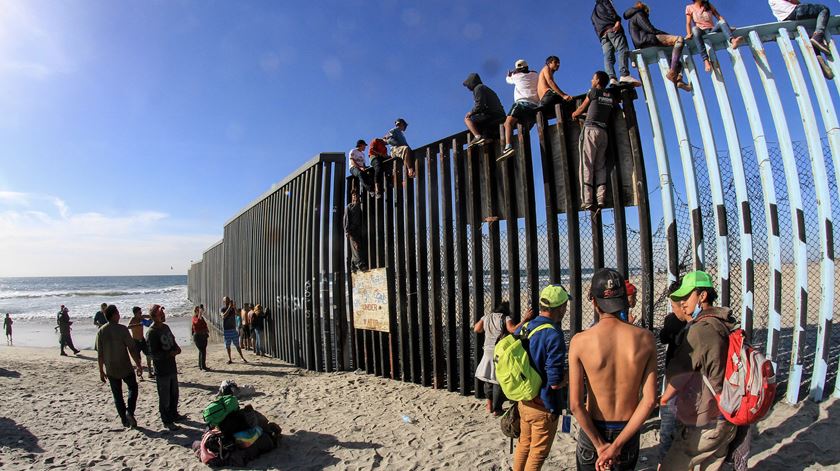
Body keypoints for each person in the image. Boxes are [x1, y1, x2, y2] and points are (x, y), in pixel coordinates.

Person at [568, 268, 657, 471]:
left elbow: (575, 405)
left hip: (593, 430)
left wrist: (601, 446)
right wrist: (616, 446)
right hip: (628, 430)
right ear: (624, 300)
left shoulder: (580, 342)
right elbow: (650, 400)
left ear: (593, 301)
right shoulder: (646, 339)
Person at [660, 271, 739, 470]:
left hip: (705, 421)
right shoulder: (723, 321)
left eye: (687, 297)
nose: (683, 303)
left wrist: (662, 398)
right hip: (727, 412)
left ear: (702, 296)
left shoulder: (699, 329)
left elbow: (677, 377)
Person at [512, 285, 569, 471]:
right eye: (565, 305)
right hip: (543, 404)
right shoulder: (553, 334)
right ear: (560, 308)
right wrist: (566, 379)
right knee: (537, 453)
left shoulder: (526, 326)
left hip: (524, 399)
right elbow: (554, 381)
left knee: (523, 445)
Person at [571, 71, 617, 213]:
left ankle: (588, 200)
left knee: (586, 164)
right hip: (603, 132)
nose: (591, 79)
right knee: (600, 165)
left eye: (593, 78)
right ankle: (601, 198)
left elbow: (581, 108)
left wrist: (575, 114)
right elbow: (602, 110)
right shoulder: (609, 96)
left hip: (590, 130)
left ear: (597, 80)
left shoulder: (593, 92)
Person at [624, 3, 692, 92]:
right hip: (647, 40)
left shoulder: (633, 17)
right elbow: (650, 29)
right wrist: (667, 35)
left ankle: (678, 79)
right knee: (679, 40)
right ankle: (672, 73)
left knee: (676, 55)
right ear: (645, 10)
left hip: (642, 42)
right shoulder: (639, 14)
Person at [658, 279, 689, 468]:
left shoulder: (672, 320)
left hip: (675, 378)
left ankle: (664, 462)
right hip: (688, 381)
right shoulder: (697, 322)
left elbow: (663, 338)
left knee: (668, 426)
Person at [96, 304, 143, 428]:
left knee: (117, 395)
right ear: (114, 315)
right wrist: (138, 364)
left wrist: (101, 370)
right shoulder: (122, 329)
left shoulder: (101, 331)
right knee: (133, 387)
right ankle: (129, 412)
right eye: (117, 313)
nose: (119, 314)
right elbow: (132, 349)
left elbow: (100, 354)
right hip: (125, 366)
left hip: (111, 368)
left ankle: (124, 420)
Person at [769, 0, 833, 79]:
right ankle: (818, 37)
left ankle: (817, 56)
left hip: (785, 20)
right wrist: (798, 2)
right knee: (824, 9)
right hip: (794, 11)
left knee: (810, 31)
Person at [146, 304, 185, 431]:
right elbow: (152, 354)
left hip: (171, 367)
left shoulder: (166, 327)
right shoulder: (151, 332)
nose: (163, 315)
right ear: (153, 316)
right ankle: (167, 420)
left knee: (174, 394)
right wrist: (168, 354)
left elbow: (172, 341)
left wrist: (176, 348)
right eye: (160, 314)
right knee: (165, 397)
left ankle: (174, 414)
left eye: (163, 313)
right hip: (162, 370)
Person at [591, 1, 642, 87]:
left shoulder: (593, 14)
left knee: (608, 57)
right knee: (622, 49)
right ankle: (624, 75)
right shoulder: (605, 1)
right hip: (612, 28)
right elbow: (610, 10)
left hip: (603, 35)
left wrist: (601, 37)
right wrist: (617, 20)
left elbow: (595, 27)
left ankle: (612, 78)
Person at [685, 1, 745, 73]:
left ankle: (733, 41)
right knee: (694, 29)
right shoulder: (689, 7)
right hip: (701, 31)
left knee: (721, 21)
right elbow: (688, 23)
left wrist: (727, 26)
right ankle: (706, 61)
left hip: (712, 29)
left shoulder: (708, 5)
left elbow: (718, 16)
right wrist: (689, 34)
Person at [499, 59, 540, 162]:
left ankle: (508, 147)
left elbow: (508, 80)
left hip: (521, 104)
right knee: (525, 127)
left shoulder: (516, 76)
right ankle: (522, 144)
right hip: (535, 107)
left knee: (507, 123)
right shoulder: (535, 75)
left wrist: (509, 74)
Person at [463, 72, 506, 148]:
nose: (467, 87)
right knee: (480, 122)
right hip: (500, 115)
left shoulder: (478, 88)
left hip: (493, 116)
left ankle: (477, 137)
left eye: (468, 85)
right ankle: (487, 139)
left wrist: (471, 112)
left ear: (471, 82)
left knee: (467, 119)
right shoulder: (484, 88)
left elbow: (480, 106)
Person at [344, 192, 368, 273]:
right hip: (352, 231)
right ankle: (360, 264)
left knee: (356, 248)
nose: (355, 197)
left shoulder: (359, 207)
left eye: (356, 195)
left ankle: (353, 266)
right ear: (352, 197)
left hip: (358, 231)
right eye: (354, 195)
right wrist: (347, 230)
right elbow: (346, 219)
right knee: (356, 247)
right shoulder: (349, 206)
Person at [127, 306, 154, 377]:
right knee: (138, 359)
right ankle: (140, 373)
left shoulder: (142, 318)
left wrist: (147, 316)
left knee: (148, 355)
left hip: (142, 340)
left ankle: (150, 372)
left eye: (141, 312)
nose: (141, 313)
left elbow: (149, 322)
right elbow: (128, 326)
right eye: (139, 312)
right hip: (135, 341)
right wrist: (137, 325)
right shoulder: (133, 319)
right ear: (135, 313)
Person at [221, 297, 248, 364]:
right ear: (224, 302)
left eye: (228, 300)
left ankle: (242, 357)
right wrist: (229, 308)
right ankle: (230, 359)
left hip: (233, 329)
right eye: (226, 300)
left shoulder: (232, 309)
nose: (227, 301)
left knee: (237, 345)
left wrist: (234, 307)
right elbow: (223, 316)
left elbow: (238, 314)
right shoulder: (223, 309)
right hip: (227, 330)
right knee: (228, 346)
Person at [192, 305, 210, 370]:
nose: (200, 311)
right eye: (198, 310)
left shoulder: (201, 317)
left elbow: (204, 325)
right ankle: (203, 366)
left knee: (202, 351)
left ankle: (201, 365)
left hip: (203, 336)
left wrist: (207, 331)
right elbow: (197, 323)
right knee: (202, 351)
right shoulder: (194, 317)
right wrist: (199, 313)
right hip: (198, 337)